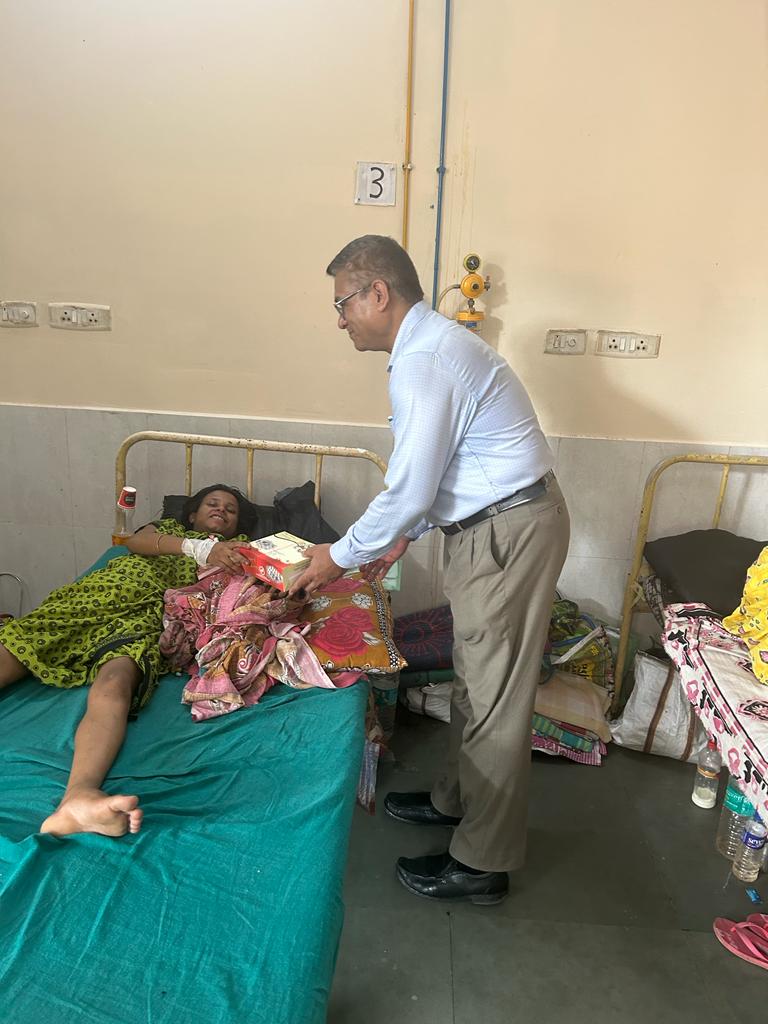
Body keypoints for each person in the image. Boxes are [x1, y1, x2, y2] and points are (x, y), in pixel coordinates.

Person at [290, 235, 570, 905]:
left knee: (496, 700)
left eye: (342, 304)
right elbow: (440, 470)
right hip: (492, 526)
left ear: (377, 294)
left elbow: (412, 486)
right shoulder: (431, 349)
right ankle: (455, 801)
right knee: (478, 682)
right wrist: (403, 537)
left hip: (507, 531)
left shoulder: (425, 360)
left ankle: (481, 864)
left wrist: (336, 556)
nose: (340, 320)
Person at [0, 485, 249, 838]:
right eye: (212, 503)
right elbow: (132, 542)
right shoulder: (169, 531)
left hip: (152, 612)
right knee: (20, 642)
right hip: (108, 589)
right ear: (191, 514)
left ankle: (79, 798)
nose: (221, 510)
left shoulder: (240, 550)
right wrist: (199, 548)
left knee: (117, 681)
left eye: (231, 509)